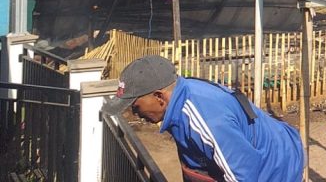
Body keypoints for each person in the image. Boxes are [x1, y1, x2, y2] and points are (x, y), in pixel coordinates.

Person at [103, 55, 305, 182]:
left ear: (159, 97)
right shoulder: (179, 101)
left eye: (135, 106)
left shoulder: (206, 118)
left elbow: (243, 174)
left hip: (278, 167)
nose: (134, 114)